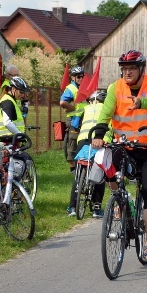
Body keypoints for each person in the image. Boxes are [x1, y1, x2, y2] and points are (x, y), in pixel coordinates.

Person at [91, 50, 147, 263]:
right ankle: (120, 204)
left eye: (131, 68)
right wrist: (98, 134)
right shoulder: (115, 88)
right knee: (107, 168)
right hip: (124, 146)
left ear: (141, 69)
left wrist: (141, 103)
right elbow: (106, 113)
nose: (127, 73)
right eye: (124, 69)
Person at [68, 91, 113, 218]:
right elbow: (112, 127)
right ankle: (97, 207)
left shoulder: (85, 108)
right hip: (100, 140)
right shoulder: (107, 109)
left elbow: (74, 125)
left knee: (78, 174)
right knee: (99, 173)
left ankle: (72, 207)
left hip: (83, 140)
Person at [60, 66, 86, 203]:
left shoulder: (85, 87)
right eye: (78, 76)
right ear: (73, 77)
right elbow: (62, 102)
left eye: (82, 76)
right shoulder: (71, 88)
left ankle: (82, 167)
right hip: (75, 120)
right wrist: (73, 107)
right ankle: (73, 169)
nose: (81, 78)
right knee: (72, 144)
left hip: (85, 120)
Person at [0, 76, 30, 144]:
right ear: (13, 89)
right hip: (5, 141)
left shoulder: (12, 101)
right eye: (21, 92)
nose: (22, 95)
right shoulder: (7, 101)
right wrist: (19, 135)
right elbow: (7, 122)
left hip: (11, 140)